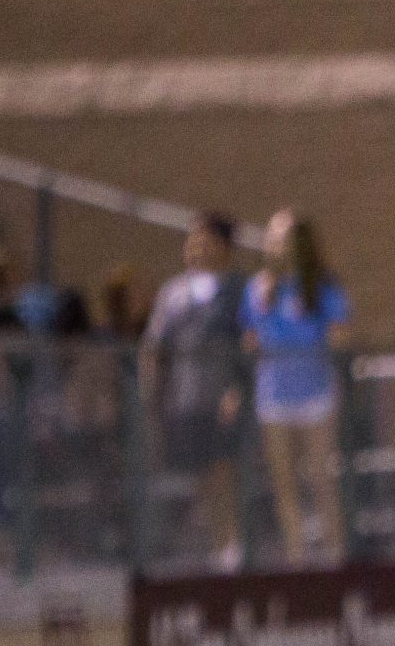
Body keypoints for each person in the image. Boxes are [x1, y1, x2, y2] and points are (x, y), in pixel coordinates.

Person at [241, 209, 351, 564]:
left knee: (321, 477)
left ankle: (336, 554)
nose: (276, 244)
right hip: (274, 397)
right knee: (283, 482)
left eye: (283, 236)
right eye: (271, 237)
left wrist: (331, 343)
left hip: (315, 395)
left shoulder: (322, 285)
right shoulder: (258, 289)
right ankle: (296, 556)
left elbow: (340, 334)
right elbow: (250, 337)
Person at [143, 213, 246, 562]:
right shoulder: (173, 293)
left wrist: (238, 388)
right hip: (185, 399)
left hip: (223, 398)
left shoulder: (237, 291)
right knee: (200, 472)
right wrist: (152, 393)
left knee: (224, 467)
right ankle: (216, 542)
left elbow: (247, 345)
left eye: (204, 240)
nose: (195, 247)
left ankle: (232, 540)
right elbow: (155, 345)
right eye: (192, 239)